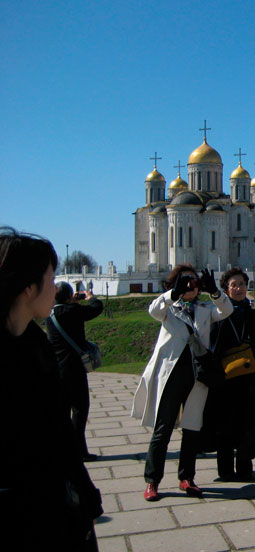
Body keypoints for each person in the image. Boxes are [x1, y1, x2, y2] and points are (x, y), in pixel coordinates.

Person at [0, 227, 103, 550]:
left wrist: (84, 491)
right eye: (51, 277)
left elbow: (57, 430)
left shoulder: (35, 344)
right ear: (29, 289)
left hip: (55, 500)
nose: (57, 287)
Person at [132, 264, 232, 501]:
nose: (190, 287)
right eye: (184, 283)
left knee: (192, 428)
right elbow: (152, 310)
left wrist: (215, 291)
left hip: (197, 377)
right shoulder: (169, 309)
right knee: (163, 429)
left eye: (194, 283)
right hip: (172, 376)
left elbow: (226, 310)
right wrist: (172, 294)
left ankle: (187, 477)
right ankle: (152, 480)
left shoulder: (205, 309)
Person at [204, 268, 255, 481]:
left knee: (248, 423)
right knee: (225, 424)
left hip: (250, 378)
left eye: (242, 284)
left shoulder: (254, 316)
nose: (239, 289)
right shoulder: (219, 316)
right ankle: (225, 468)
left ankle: (244, 465)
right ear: (226, 289)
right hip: (225, 380)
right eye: (234, 285)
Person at [45, 281, 104, 461]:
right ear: (70, 296)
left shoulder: (50, 314)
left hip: (57, 369)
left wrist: (72, 302)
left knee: (62, 411)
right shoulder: (74, 312)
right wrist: (89, 297)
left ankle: (62, 450)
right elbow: (96, 307)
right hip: (75, 369)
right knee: (80, 410)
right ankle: (79, 451)